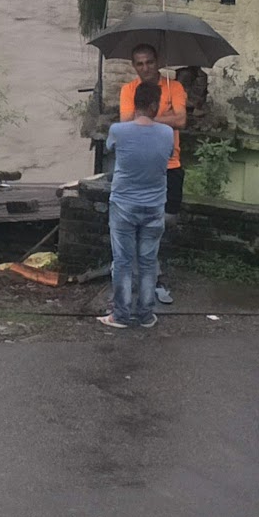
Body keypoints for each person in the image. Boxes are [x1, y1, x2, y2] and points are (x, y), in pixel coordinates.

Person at [100, 80, 175, 329]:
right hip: (154, 206)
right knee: (148, 262)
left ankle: (120, 315)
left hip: (123, 204)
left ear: (135, 103)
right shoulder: (166, 133)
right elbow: (168, 156)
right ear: (154, 105)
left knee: (122, 261)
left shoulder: (118, 130)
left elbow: (109, 148)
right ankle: (145, 315)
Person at [119, 44, 187, 303]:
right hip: (141, 166)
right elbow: (126, 123)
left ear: (157, 62)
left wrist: (148, 119)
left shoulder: (174, 88)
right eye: (140, 63)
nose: (145, 68)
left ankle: (151, 270)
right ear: (134, 66)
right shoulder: (128, 90)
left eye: (149, 62)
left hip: (170, 165)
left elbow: (181, 120)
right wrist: (163, 117)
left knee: (165, 221)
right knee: (138, 221)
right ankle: (152, 277)